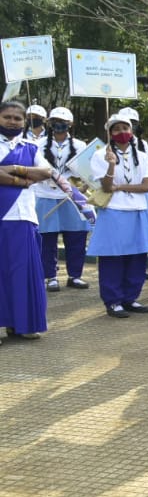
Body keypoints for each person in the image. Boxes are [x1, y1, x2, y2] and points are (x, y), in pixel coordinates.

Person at [88, 113, 148, 318]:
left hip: (137, 210)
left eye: (125, 128)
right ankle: (113, 301)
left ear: (131, 131)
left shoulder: (141, 156)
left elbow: (146, 186)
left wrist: (121, 186)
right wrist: (110, 165)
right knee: (112, 258)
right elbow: (107, 187)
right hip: (114, 212)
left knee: (137, 257)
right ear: (109, 133)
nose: (122, 132)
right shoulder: (100, 156)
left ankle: (130, 298)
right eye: (116, 129)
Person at [0, 100, 53, 339]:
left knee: (22, 271)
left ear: (24, 121)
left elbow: (46, 172)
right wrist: (23, 178)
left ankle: (22, 324)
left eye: (17, 118)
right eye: (7, 117)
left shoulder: (31, 146)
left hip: (23, 216)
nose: (12, 121)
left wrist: (11, 171)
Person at [34, 107, 92, 291]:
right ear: (49, 123)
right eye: (55, 121)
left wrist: (84, 186)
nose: (59, 125)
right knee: (47, 238)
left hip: (71, 197)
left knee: (76, 237)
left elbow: (87, 171)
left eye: (63, 122)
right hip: (45, 195)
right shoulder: (38, 144)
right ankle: (50, 276)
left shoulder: (81, 145)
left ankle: (75, 275)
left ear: (70, 124)